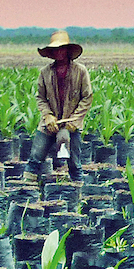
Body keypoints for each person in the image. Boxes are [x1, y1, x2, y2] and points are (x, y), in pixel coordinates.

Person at [27, 31, 93, 179]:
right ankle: (27, 190)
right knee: (35, 158)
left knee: (74, 163)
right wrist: (48, 115)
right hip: (50, 123)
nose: (59, 52)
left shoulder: (80, 71)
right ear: (51, 52)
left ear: (68, 51)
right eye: (55, 49)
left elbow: (87, 98)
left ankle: (78, 191)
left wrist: (75, 120)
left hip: (72, 124)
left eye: (62, 48)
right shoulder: (45, 73)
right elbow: (40, 98)